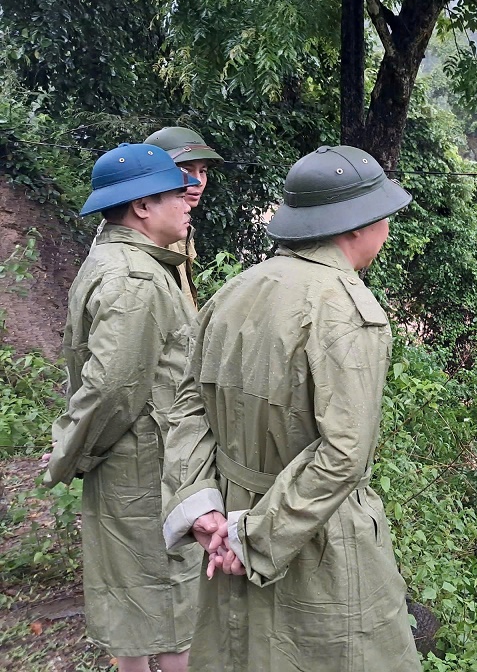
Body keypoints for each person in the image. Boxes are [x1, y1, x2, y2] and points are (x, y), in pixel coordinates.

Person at [162, 145, 421, 672]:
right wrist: (252, 540)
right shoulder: (348, 311)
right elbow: (343, 454)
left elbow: (187, 406)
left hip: (233, 513)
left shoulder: (232, 293)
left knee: (245, 652)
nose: (389, 228)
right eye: (385, 216)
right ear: (355, 225)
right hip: (314, 535)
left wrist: (204, 508)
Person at [43, 144, 205, 672]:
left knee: (134, 605)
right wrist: (71, 451)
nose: (188, 202)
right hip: (145, 467)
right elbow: (113, 387)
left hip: (129, 462)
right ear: (142, 207)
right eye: (176, 194)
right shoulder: (135, 279)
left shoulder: (116, 261)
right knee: (172, 610)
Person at [144, 126, 224, 309]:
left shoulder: (179, 224)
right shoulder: (143, 227)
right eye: (186, 170)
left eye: (203, 171)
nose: (198, 181)